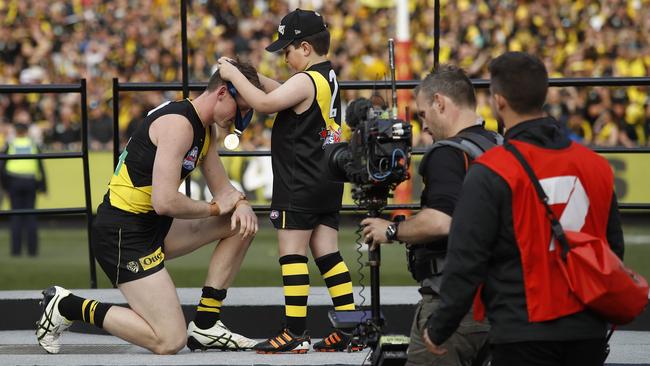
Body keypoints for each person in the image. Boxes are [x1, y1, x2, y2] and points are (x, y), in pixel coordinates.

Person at [36, 61, 263, 355]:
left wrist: (240, 203)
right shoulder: (179, 124)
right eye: (242, 107)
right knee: (169, 341)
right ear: (222, 92)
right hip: (123, 233)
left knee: (240, 223)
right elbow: (165, 201)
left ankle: (206, 324)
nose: (241, 119)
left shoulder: (205, 129)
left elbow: (223, 188)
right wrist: (215, 208)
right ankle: (66, 305)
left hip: (151, 225)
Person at [423, 52, 624, 366]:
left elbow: (467, 259)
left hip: (522, 327)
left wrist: (440, 327)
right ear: (543, 95)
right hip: (588, 327)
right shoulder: (596, 166)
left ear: (499, 101)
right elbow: (614, 248)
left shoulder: (492, 169)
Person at [216, 9, 361, 354]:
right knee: (327, 254)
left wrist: (233, 75)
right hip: (326, 178)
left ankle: (295, 332)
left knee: (292, 254)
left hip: (300, 178)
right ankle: (351, 328)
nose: (285, 58)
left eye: (288, 50)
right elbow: (282, 91)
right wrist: (252, 75)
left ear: (306, 47)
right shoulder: (326, 77)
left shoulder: (305, 80)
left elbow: (267, 103)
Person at [361, 65, 495, 366]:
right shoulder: (499, 144)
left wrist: (392, 231)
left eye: (423, 114)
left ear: (440, 103)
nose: (423, 126)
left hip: (455, 303)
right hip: (502, 300)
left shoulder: (447, 152)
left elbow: (441, 221)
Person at [1, 110, 47, 257]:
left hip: (14, 182)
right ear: (26, 131)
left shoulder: (11, 144)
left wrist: (4, 185)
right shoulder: (33, 144)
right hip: (30, 182)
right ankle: (32, 251)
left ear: (16, 131)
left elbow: (2, 166)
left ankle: (16, 251)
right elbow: (41, 165)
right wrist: (43, 185)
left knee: (16, 217)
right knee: (31, 217)